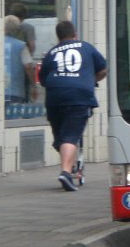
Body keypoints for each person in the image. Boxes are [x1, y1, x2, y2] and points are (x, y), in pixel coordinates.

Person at [39, 21, 108, 191]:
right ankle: (66, 172)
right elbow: (104, 69)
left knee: (61, 139)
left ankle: (70, 166)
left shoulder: (51, 52)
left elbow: (43, 79)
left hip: (55, 97)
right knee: (71, 136)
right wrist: (91, 81)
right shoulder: (87, 47)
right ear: (75, 34)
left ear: (58, 37)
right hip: (79, 96)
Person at [3, 15, 35, 108]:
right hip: (16, 92)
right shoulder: (21, 46)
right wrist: (33, 86)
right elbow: (28, 67)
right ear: (17, 29)